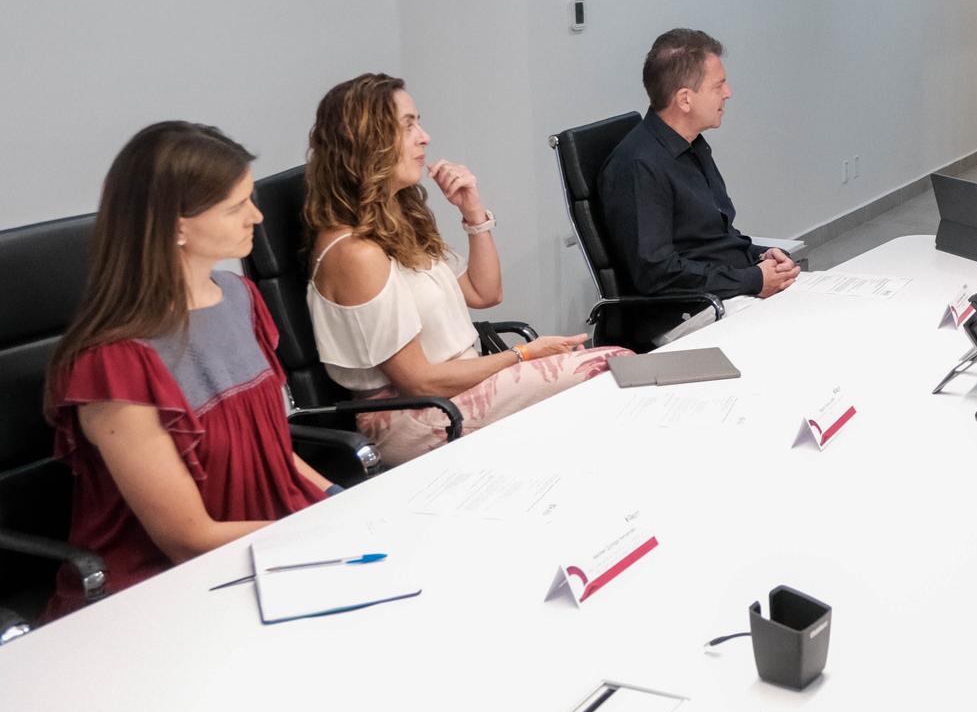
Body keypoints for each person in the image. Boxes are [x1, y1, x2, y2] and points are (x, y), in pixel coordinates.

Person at [43, 123, 330, 619]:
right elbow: (187, 540)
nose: (257, 216)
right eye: (236, 207)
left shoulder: (241, 298)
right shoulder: (114, 363)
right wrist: (322, 530)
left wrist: (338, 499)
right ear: (176, 226)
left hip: (267, 548)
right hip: (162, 591)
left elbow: (273, 454)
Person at [304, 73, 628, 466]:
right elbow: (417, 381)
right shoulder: (354, 253)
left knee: (615, 369)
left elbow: (483, 292)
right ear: (366, 141)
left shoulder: (397, 217)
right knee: (610, 367)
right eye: (408, 126)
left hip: (457, 386)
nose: (424, 137)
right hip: (413, 415)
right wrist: (523, 354)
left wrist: (473, 213)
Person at [597, 29, 799, 340]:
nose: (728, 93)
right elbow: (656, 273)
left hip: (722, 292)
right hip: (684, 313)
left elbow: (713, 238)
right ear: (685, 99)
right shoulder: (640, 165)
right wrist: (752, 280)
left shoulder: (692, 146)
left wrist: (761, 256)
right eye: (718, 86)